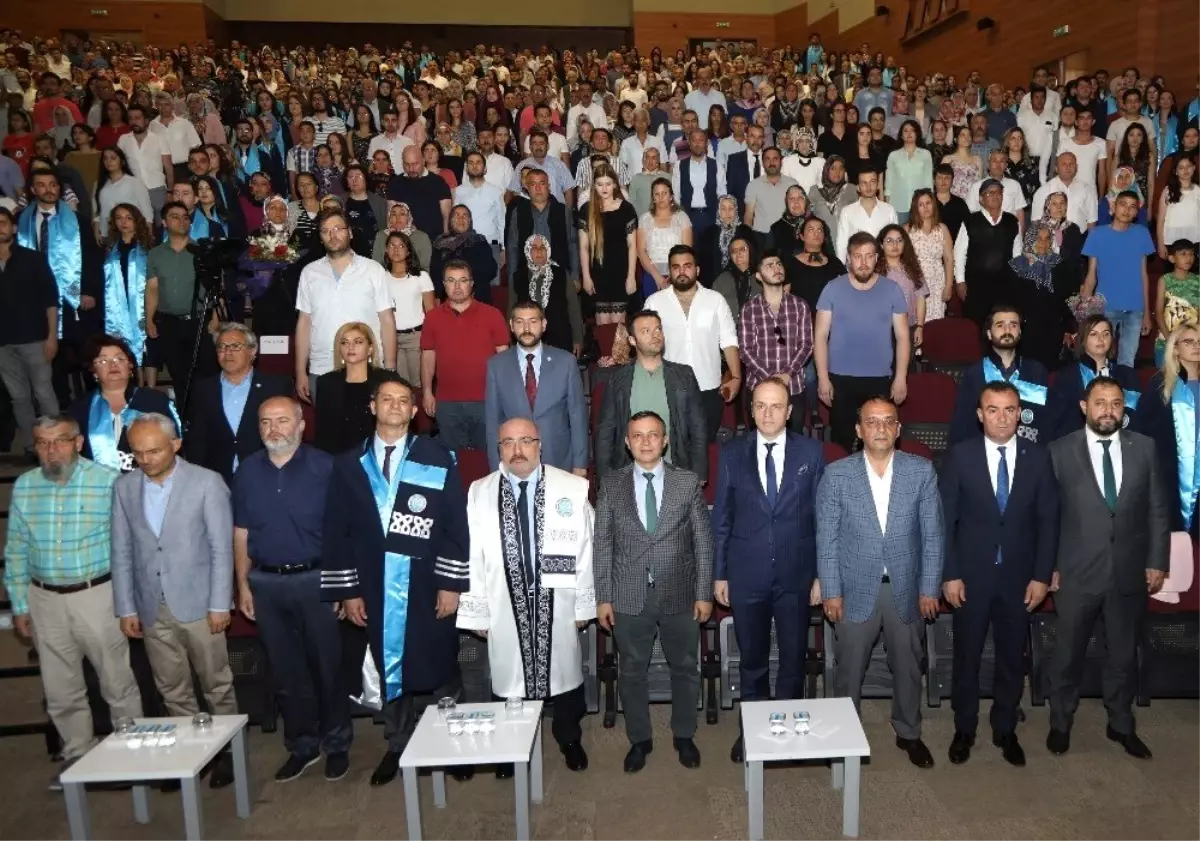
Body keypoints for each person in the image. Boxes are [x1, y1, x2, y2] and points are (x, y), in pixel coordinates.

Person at [319, 378, 470, 785]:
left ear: (414, 410)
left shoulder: (436, 456)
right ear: (373, 406)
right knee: (391, 666)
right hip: (374, 583)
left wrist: (451, 583)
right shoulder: (349, 463)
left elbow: (456, 524)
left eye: (404, 401)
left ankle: (453, 743)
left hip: (426, 581)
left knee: (440, 662)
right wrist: (348, 591)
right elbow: (337, 530)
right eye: (387, 400)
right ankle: (399, 744)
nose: (395, 406)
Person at [5, 413, 143, 789]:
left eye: (60, 441)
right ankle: (78, 757)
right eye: (43, 443)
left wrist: (129, 600)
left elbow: (129, 547)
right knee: (60, 688)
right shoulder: (25, 486)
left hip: (96, 594)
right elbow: (16, 549)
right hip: (44, 599)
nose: (52, 450)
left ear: (78, 443)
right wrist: (19, 604)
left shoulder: (108, 483)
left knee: (117, 682)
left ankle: (133, 759)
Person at [458, 417, 594, 775]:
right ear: (498, 448)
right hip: (504, 602)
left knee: (563, 675)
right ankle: (509, 748)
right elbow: (470, 554)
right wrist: (477, 610)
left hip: (559, 600)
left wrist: (583, 603)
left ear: (540, 444)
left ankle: (568, 737)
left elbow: (587, 548)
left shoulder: (572, 488)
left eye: (525, 441)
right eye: (508, 443)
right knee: (509, 678)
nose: (517, 450)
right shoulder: (479, 491)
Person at [111, 413, 237, 789]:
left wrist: (220, 603)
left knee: (216, 682)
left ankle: (228, 751)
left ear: (176, 445)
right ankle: (191, 755)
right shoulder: (124, 488)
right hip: (151, 607)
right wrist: (126, 607)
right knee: (171, 687)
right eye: (138, 453)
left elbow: (220, 548)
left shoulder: (206, 483)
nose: (146, 459)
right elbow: (121, 550)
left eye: (153, 451)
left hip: (200, 603)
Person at [816, 395, 944, 768]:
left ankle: (908, 732)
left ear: (899, 429)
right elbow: (827, 537)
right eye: (872, 421)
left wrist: (929, 587)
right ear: (858, 430)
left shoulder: (921, 471)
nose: (881, 428)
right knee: (849, 668)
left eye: (888, 421)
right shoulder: (837, 474)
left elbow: (933, 534)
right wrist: (832, 589)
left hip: (905, 588)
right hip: (854, 589)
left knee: (908, 665)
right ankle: (842, 735)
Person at [1046, 376, 1169, 760]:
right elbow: (1047, 518)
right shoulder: (1058, 451)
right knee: (1067, 654)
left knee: (1122, 655)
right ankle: (1060, 723)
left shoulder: (1145, 448)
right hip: (1075, 573)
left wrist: (1157, 561)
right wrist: (1047, 567)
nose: (1108, 410)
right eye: (1100, 403)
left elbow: (1158, 510)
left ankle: (1121, 724)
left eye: (1116, 403)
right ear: (1085, 407)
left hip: (1129, 572)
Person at [231, 395, 351, 782]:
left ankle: (336, 744)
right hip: (265, 583)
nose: (274, 429)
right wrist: (242, 584)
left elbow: (341, 531)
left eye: (283, 420)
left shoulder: (326, 467)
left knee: (327, 666)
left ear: (301, 425)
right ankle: (301, 745)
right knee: (285, 672)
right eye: (266, 422)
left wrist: (340, 585)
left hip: (315, 580)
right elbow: (241, 531)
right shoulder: (247, 470)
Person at [940, 382, 1060, 767]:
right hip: (970, 579)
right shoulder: (960, 457)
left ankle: (1005, 728)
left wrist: (1042, 575)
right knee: (967, 658)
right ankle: (965, 728)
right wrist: (950, 573)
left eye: (1010, 409)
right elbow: (946, 522)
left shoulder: (1039, 457)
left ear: (1020, 413)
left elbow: (1049, 521)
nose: (1002, 417)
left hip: (1019, 579)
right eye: (993, 409)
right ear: (980, 414)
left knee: (1012, 658)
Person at [711, 377, 825, 762]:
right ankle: (754, 734)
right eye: (760, 405)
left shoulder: (812, 452)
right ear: (751, 410)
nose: (768, 413)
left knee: (793, 659)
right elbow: (722, 519)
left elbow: (821, 520)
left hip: (796, 575)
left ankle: (790, 734)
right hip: (747, 575)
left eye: (776, 406)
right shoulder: (731, 454)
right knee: (753, 660)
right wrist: (720, 573)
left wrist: (822, 575)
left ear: (790, 411)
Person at [594, 410, 714, 773]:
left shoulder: (687, 482)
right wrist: (603, 597)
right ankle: (639, 740)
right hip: (628, 595)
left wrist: (704, 592)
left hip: (681, 591)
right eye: (638, 436)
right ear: (627, 442)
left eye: (653, 435)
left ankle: (683, 735)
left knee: (685, 667)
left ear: (665, 441)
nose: (646, 442)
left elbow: (703, 543)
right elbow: (603, 545)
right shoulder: (611, 485)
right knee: (632, 671)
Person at [814, 232, 910, 452]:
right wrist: (822, 378)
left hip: (880, 379)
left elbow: (903, 337)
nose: (863, 263)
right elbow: (820, 335)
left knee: (878, 443)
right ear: (848, 258)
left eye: (869, 256)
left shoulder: (892, 290)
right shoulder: (832, 288)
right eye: (858, 256)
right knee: (842, 444)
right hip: (839, 379)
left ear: (877, 258)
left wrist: (901, 377)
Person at [294, 208, 398, 404]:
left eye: (338, 228)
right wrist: (300, 371)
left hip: (368, 367)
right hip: (321, 368)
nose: (333, 235)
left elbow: (387, 320)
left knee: (368, 430)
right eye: (326, 231)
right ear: (320, 237)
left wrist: (390, 369)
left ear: (349, 232)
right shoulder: (309, 273)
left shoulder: (373, 270)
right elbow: (304, 323)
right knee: (329, 432)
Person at [595, 309, 708, 479]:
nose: (655, 335)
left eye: (658, 329)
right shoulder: (618, 380)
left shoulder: (684, 376)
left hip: (675, 471)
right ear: (632, 340)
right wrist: (604, 478)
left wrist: (699, 473)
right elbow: (606, 431)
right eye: (646, 331)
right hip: (630, 475)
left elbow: (698, 427)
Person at [645, 245, 741, 442]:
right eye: (676, 267)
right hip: (667, 389)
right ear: (670, 272)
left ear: (697, 270)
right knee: (670, 451)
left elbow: (729, 340)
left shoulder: (716, 300)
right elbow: (645, 346)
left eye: (687, 266)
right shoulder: (654, 303)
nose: (682, 271)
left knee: (703, 452)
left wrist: (737, 376)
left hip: (708, 388)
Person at [484, 300, 587, 474]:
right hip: (515, 460)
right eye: (519, 322)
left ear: (543, 324)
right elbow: (493, 420)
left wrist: (580, 464)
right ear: (511, 325)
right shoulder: (496, 365)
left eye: (533, 321)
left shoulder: (566, 361)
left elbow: (577, 416)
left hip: (558, 457)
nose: (526, 328)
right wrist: (496, 467)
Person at [420, 259, 510, 451]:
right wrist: (427, 391)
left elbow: (505, 360)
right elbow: (428, 357)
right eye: (451, 281)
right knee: (452, 462)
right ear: (443, 285)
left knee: (488, 459)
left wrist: (504, 396)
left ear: (472, 283)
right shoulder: (432, 318)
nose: (457, 286)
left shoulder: (492, 315)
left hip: (486, 401)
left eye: (463, 280)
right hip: (447, 403)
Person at [185, 322, 292, 483]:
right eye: (222, 346)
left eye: (235, 346)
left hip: (265, 476)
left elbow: (286, 435)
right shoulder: (203, 389)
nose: (227, 352)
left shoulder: (275, 386)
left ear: (253, 351)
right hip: (216, 480)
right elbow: (197, 440)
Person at [0, 206, 60, 460]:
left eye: (3, 223)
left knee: (44, 393)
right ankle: (31, 445)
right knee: (19, 397)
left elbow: (50, 300)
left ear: (13, 228)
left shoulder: (32, 259)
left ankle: (57, 442)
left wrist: (52, 336)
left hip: (36, 338)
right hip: (2, 344)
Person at [69, 334, 177, 473]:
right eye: (103, 361)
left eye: (119, 358)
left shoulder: (155, 401)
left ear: (130, 366)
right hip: (96, 484)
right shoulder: (81, 408)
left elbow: (176, 443)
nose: (113, 364)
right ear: (93, 370)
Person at [950, 306, 1053, 445]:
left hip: (1028, 454)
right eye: (1000, 325)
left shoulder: (1037, 371)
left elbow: (1047, 423)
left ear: (1020, 332)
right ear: (989, 333)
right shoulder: (975, 373)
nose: (1007, 330)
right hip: (984, 455)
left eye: (1013, 325)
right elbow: (962, 425)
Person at [1081, 190, 1156, 368]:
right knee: (1099, 357)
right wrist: (1084, 309)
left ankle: (1125, 394)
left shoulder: (1142, 233)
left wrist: (1146, 312)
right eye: (1123, 205)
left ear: (1137, 212)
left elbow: (1143, 274)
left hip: (1135, 307)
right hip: (1105, 305)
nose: (1127, 210)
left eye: (1132, 207)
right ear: (1113, 207)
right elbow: (1091, 275)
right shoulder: (1097, 234)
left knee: (1127, 361)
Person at [1007, 221, 1081, 369]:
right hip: (1026, 331)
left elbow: (1066, 300)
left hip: (1053, 330)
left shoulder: (1059, 265)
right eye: (1039, 239)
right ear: (1030, 239)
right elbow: (1011, 302)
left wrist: (1069, 329)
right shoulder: (1017, 266)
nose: (1043, 243)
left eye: (1047, 239)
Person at [1053, 315, 1142, 439]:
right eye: (1094, 334)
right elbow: (1059, 422)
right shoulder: (1067, 376)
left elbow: (1138, 419)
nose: (1101, 339)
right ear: (1083, 339)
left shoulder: (1127, 375)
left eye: (1106, 334)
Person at [954, 179, 1023, 327]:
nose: (995, 195)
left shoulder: (1012, 221)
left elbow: (1017, 254)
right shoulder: (970, 221)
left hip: (1004, 286)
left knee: (1000, 326)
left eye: (998, 192)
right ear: (981, 199)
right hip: (976, 287)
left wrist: (1017, 281)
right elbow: (959, 253)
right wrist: (960, 282)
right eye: (989, 192)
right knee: (975, 328)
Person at [579, 162, 639, 324]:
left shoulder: (626, 209)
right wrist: (586, 276)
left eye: (608, 184)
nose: (604, 188)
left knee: (619, 326)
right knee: (602, 326)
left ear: (615, 184)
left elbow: (632, 245)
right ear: (594, 186)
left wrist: (631, 276)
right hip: (597, 272)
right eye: (600, 184)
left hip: (621, 271)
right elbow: (584, 247)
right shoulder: (586, 209)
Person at [510, 233, 584, 355]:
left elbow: (574, 309)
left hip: (560, 339)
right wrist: (511, 342)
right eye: (534, 248)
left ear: (548, 251)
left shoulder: (562, 274)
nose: (539, 251)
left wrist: (577, 339)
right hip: (527, 339)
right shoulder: (518, 277)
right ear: (528, 251)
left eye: (543, 247)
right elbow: (511, 312)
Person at [429, 204, 497, 307]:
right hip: (447, 296)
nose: (461, 218)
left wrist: (468, 289)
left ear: (470, 221)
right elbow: (435, 272)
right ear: (450, 221)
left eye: (465, 215)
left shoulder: (479, 241)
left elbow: (490, 270)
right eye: (456, 215)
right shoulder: (440, 243)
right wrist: (438, 295)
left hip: (476, 296)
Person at [387, 145, 452, 239]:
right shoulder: (395, 184)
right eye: (407, 164)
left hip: (434, 241)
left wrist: (446, 239)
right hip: (405, 242)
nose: (411, 168)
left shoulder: (438, 182)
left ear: (423, 160)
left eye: (415, 164)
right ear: (402, 163)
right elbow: (390, 217)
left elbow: (447, 215)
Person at [834, 167, 897, 261]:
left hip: (883, 266)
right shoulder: (847, 211)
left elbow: (894, 241)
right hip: (856, 267)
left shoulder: (889, 210)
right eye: (864, 183)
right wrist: (842, 271)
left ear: (877, 185)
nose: (868, 187)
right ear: (858, 187)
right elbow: (842, 244)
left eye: (872, 182)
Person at [373, 201, 433, 272]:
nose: (398, 218)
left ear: (408, 217)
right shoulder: (381, 236)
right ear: (389, 218)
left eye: (402, 214)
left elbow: (425, 267)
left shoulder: (421, 237)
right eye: (393, 214)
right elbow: (376, 265)